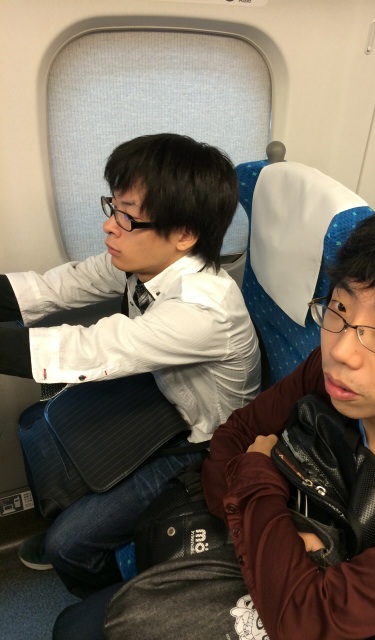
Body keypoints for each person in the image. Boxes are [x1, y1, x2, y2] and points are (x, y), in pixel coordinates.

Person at [53, 198, 375, 640]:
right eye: (340, 308)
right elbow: (233, 436)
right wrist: (283, 537)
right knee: (80, 624)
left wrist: (258, 473)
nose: (341, 351)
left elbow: (312, 622)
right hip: (279, 558)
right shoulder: (332, 375)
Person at [0, 133, 261, 599]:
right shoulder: (145, 263)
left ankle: (110, 601)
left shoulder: (203, 309)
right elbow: (59, 286)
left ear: (184, 234)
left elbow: (93, 348)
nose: (109, 227)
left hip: (205, 441)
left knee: (69, 544)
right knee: (34, 424)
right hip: (163, 393)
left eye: (127, 216)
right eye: (113, 207)